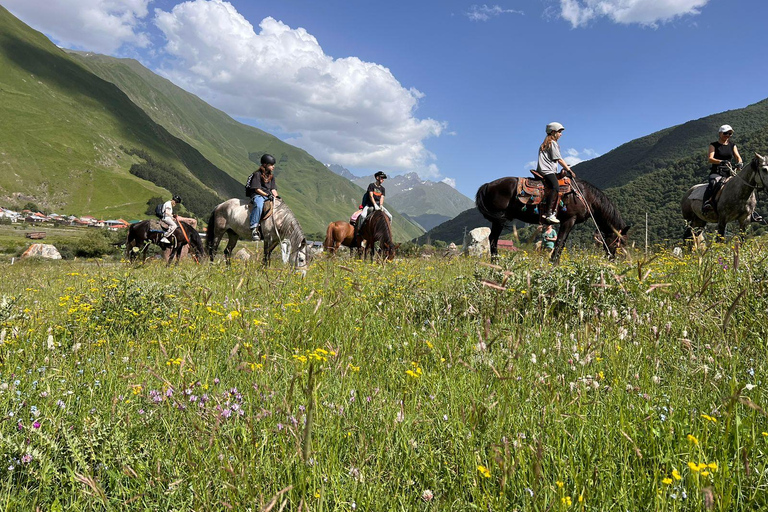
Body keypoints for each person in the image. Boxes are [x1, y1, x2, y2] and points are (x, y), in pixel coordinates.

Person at [537, 122, 575, 224]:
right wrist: (569, 170)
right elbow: (559, 159)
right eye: (559, 132)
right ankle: (549, 213)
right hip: (547, 171)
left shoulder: (545, 143)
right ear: (553, 132)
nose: (561, 134)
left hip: (545, 170)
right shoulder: (552, 143)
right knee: (555, 187)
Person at [702, 124, 742, 214]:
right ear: (720, 134)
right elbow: (710, 159)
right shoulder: (713, 145)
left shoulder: (732, 145)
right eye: (725, 133)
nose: (727, 135)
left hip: (729, 172)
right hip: (717, 172)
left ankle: (749, 210)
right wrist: (721, 161)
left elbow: (738, 157)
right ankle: (707, 203)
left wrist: (739, 163)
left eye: (730, 134)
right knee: (713, 183)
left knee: (743, 185)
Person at [245, 154, 279, 241]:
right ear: (265, 165)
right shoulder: (257, 174)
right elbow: (257, 189)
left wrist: (277, 197)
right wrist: (267, 195)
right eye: (271, 165)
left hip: (268, 195)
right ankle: (254, 228)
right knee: (259, 205)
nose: (273, 166)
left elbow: (273, 189)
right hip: (258, 195)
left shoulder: (271, 177)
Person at [355, 171, 392, 239]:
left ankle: (387, 231)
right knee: (363, 216)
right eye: (381, 178)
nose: (383, 180)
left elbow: (382, 198)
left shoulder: (382, 189)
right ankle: (359, 230)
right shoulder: (371, 185)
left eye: (383, 178)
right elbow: (371, 196)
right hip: (370, 205)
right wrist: (375, 204)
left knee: (390, 216)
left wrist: (380, 205)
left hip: (379, 205)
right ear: (377, 178)